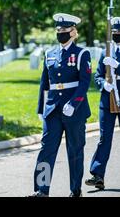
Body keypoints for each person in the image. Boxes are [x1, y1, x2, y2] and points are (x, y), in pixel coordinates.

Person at [30, 13, 91, 197]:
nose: (61, 33)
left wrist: (74, 103)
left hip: (74, 110)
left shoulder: (81, 54)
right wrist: (41, 108)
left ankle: (75, 190)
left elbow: (84, 82)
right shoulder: (50, 54)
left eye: (64, 30)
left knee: (74, 151)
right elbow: (45, 83)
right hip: (53, 109)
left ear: (73, 32)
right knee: (46, 150)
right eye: (58, 30)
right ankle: (42, 190)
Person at [85, 17, 120, 190]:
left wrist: (118, 65)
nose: (116, 35)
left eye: (119, 33)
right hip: (108, 100)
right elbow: (97, 75)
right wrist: (103, 84)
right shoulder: (105, 51)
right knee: (104, 138)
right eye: (113, 32)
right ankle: (98, 175)